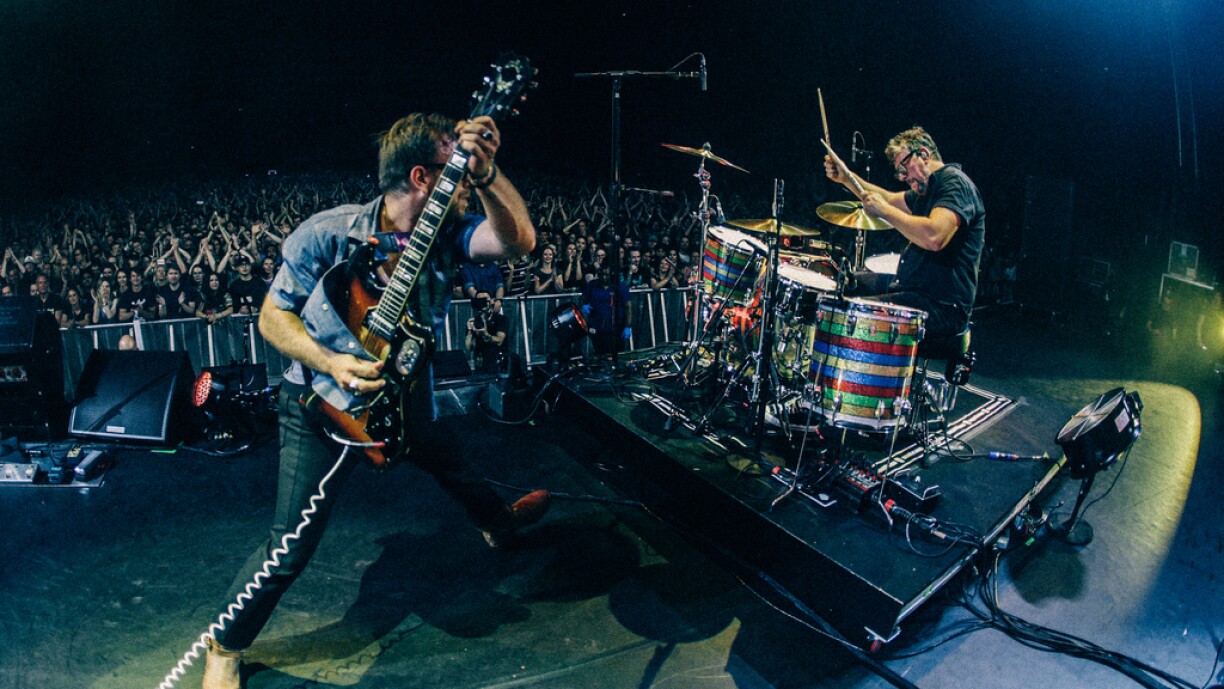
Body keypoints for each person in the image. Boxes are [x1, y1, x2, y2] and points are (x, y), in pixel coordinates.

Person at [202, 112, 549, 688]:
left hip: (404, 393)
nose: (465, 181)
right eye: (458, 171)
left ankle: (498, 524)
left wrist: (489, 174)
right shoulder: (329, 234)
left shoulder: (448, 234)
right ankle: (226, 645)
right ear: (422, 177)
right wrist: (331, 361)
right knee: (291, 543)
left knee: (449, 459)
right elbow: (272, 317)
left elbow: (520, 242)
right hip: (322, 402)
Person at [824, 125, 984, 339]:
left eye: (904, 167)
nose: (902, 177)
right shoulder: (926, 190)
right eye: (899, 171)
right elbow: (888, 199)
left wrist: (885, 211)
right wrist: (846, 177)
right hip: (913, 290)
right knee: (845, 283)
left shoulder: (955, 183)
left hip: (941, 307)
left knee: (851, 313)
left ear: (924, 155)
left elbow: (934, 237)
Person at [465, 291, 510, 373]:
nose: (482, 302)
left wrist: (486, 334)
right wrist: (470, 331)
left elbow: (499, 341)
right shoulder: (475, 321)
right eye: (479, 300)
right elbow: (469, 347)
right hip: (481, 363)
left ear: (492, 301)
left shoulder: (501, 319)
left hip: (498, 362)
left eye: (485, 299)